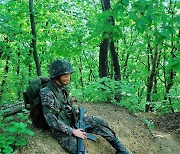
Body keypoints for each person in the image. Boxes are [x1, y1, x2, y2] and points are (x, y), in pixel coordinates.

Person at [40, 59, 129, 154]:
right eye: (65, 76)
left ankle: (121, 150)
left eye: (69, 75)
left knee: (101, 122)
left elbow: (67, 106)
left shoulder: (63, 88)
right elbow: (51, 120)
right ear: (56, 77)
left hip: (72, 120)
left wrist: (77, 114)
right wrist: (73, 131)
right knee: (81, 151)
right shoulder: (47, 92)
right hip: (61, 129)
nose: (68, 78)